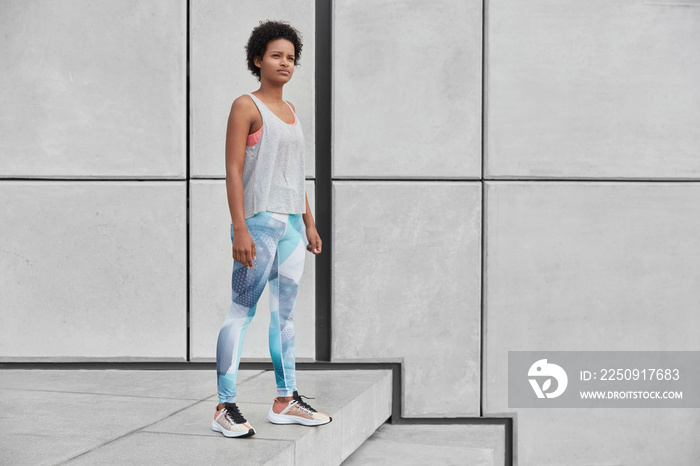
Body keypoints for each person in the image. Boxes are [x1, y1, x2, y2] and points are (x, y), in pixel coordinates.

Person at [211, 20, 331, 439]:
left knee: (285, 317)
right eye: (277, 55)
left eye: (291, 58)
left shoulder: (293, 112)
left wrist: (310, 223)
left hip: (293, 227)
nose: (285, 63)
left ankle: (285, 399)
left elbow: (295, 176)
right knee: (240, 313)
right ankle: (224, 406)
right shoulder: (246, 106)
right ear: (258, 59)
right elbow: (233, 168)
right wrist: (240, 228)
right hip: (259, 224)